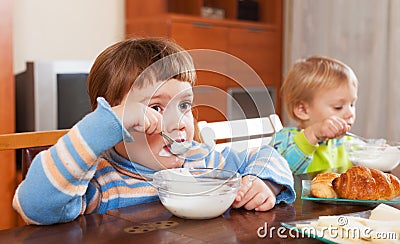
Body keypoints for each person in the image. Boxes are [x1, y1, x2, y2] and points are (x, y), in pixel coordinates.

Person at [13, 37, 296, 225]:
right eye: (157, 109)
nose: (178, 122)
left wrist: (263, 183)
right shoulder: (102, 182)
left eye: (184, 105)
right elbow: (34, 206)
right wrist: (104, 125)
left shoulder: (203, 162)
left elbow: (266, 154)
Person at [270, 56, 358, 175]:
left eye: (352, 104)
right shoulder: (284, 139)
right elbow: (278, 172)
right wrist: (313, 133)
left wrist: (378, 151)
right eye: (338, 107)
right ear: (303, 110)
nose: (350, 114)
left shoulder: (347, 143)